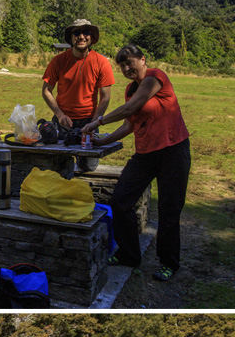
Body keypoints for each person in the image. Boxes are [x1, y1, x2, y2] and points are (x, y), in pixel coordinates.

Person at [81, 45, 192, 282]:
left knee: (169, 210)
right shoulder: (130, 90)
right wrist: (102, 142)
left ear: (144, 59)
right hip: (146, 155)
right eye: (122, 65)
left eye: (130, 62)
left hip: (173, 151)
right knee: (121, 200)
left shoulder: (156, 77)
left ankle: (168, 263)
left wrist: (97, 122)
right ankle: (129, 255)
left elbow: (131, 109)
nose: (127, 68)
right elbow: (129, 125)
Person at [42, 18, 115, 173]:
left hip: (90, 120)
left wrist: (95, 123)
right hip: (63, 122)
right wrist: (60, 115)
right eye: (77, 32)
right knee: (58, 166)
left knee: (88, 167)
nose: (81, 36)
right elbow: (46, 90)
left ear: (91, 37)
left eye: (86, 32)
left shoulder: (101, 62)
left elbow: (105, 97)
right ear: (71, 37)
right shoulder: (58, 61)